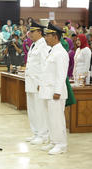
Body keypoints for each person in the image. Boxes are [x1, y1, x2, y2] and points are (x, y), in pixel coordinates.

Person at [39, 23, 69, 155]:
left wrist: (57, 91)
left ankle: (61, 144)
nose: (45, 38)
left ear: (55, 36)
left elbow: (61, 74)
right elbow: (47, 72)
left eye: (47, 35)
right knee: (50, 118)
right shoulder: (52, 51)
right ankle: (53, 141)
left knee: (57, 119)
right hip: (48, 91)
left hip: (55, 93)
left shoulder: (61, 53)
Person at [24, 21, 50, 145]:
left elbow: (45, 65)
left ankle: (43, 135)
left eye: (32, 31)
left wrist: (42, 82)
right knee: (32, 109)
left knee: (40, 109)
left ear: (39, 32)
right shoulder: (34, 44)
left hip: (38, 83)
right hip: (30, 82)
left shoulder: (44, 45)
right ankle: (35, 133)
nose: (30, 34)